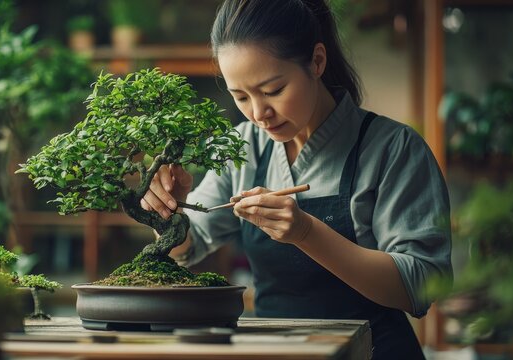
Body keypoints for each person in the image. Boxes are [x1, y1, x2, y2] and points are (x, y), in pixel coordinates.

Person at [140, 0, 452, 358]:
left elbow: (422, 284)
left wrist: (306, 233)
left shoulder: (392, 148)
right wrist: (169, 210)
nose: (259, 114)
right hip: (276, 352)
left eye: (273, 90)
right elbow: (187, 248)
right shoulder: (244, 145)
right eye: (240, 96)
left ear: (317, 62)